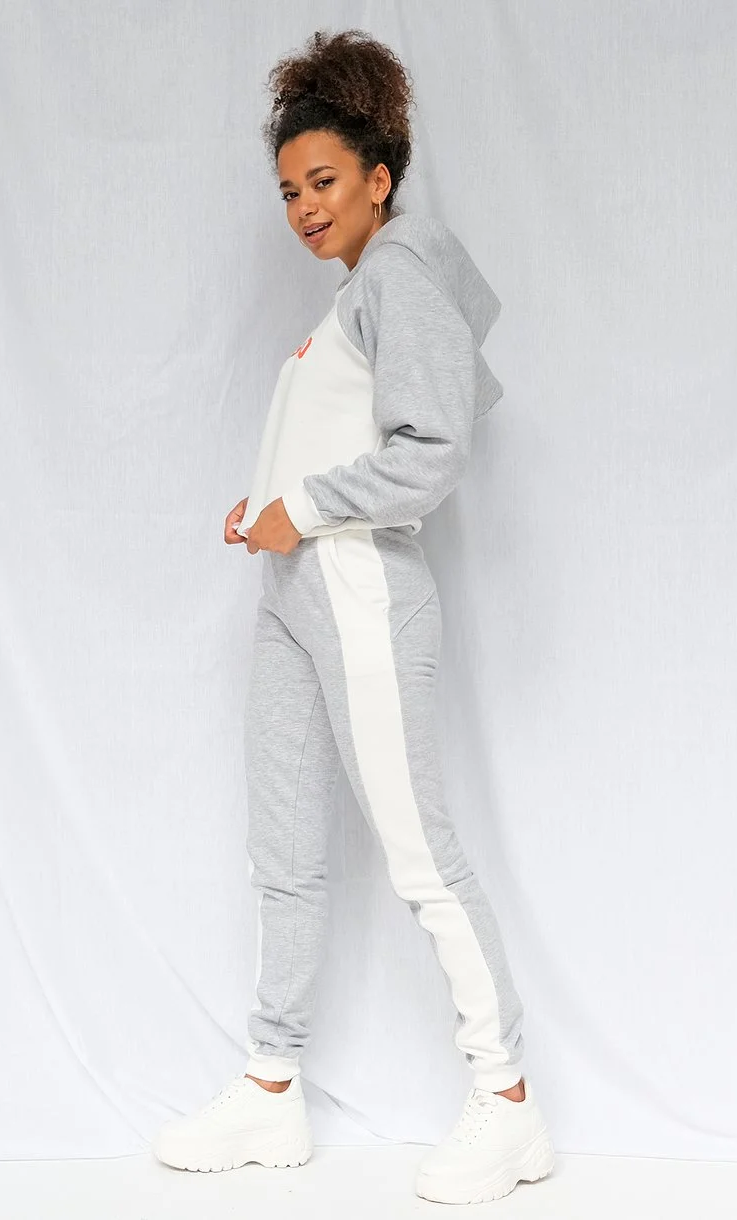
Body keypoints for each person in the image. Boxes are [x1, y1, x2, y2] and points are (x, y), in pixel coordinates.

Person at [152, 28, 554, 1206]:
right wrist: (267, 506)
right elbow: (342, 437)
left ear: (380, 175)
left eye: (322, 180)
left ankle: (508, 1102)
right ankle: (270, 1086)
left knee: (420, 851)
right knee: (282, 853)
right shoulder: (354, 295)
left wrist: (306, 505)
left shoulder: (399, 275)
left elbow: (433, 450)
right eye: (288, 190)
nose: (303, 207)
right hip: (294, 592)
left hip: (362, 588)